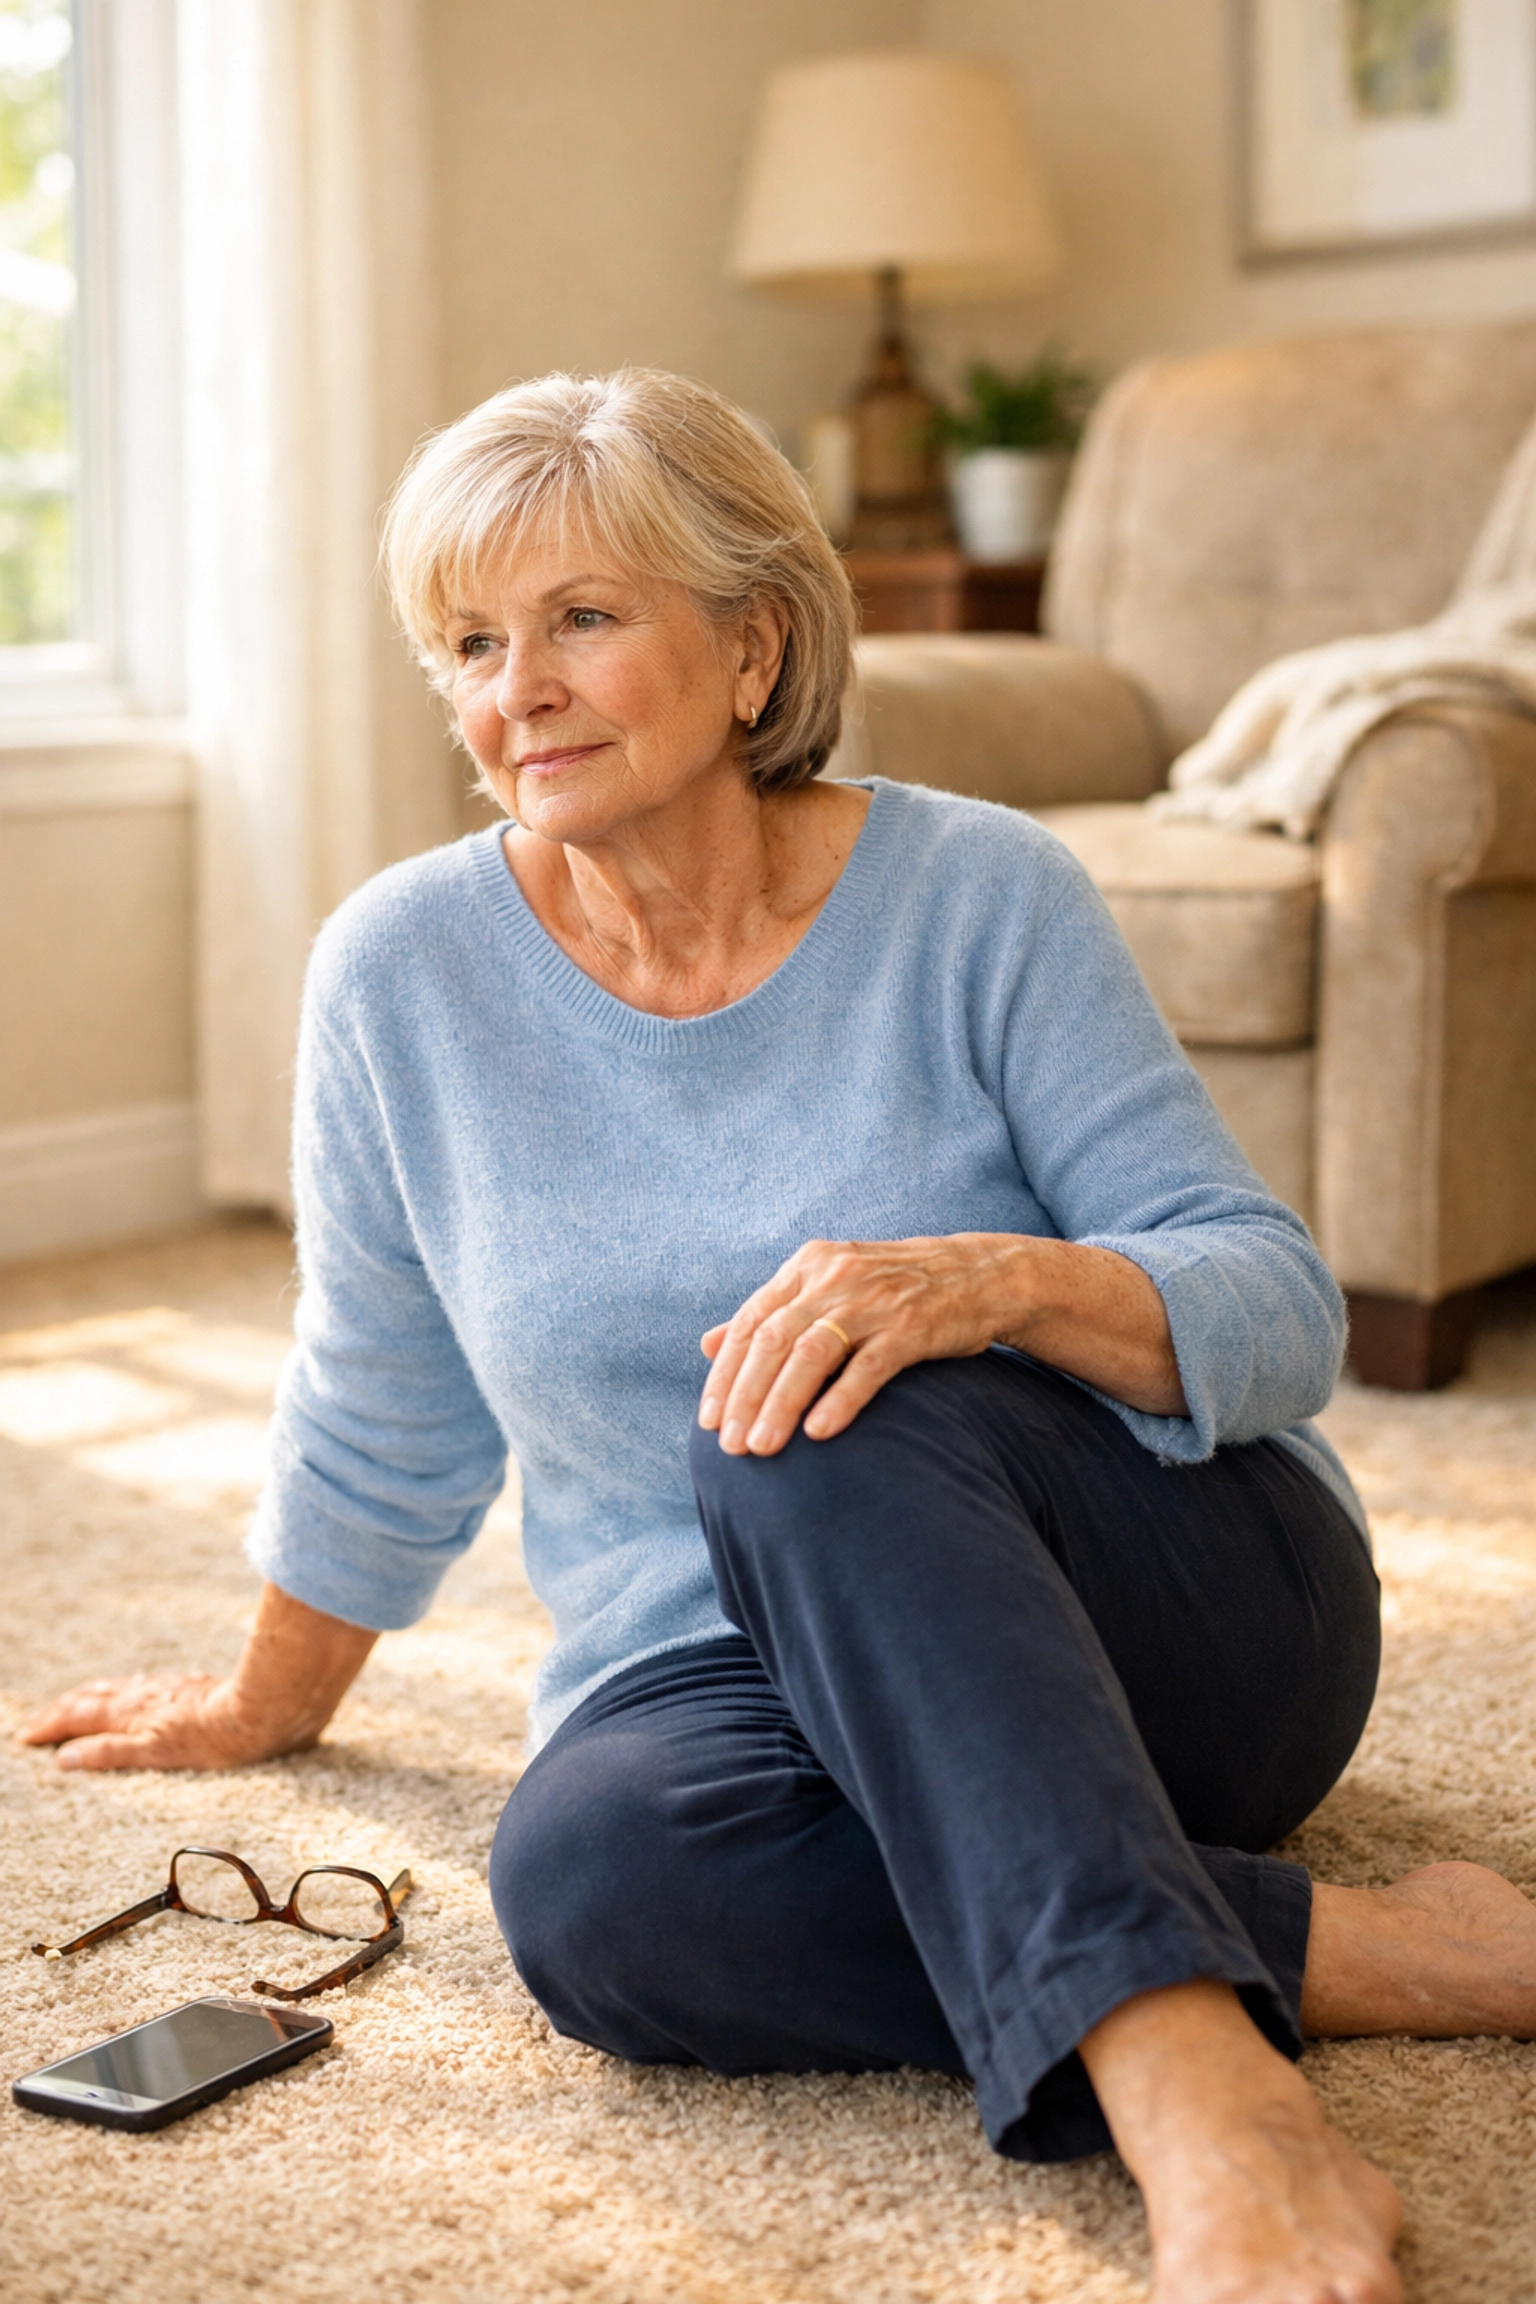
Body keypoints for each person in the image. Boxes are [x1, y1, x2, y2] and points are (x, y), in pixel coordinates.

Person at [24, 369, 1536, 2304]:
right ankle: (1379, 1952)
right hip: (742, 1692)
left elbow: (1275, 1305)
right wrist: (264, 1700)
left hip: (1173, 1620)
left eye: (581, 618)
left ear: (753, 650)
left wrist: (988, 1282)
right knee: (591, 1898)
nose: (518, 691)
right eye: (471, 645)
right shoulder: (401, 977)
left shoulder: (984, 895)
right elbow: (381, 1388)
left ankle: (1200, 2096)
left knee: (805, 1395)